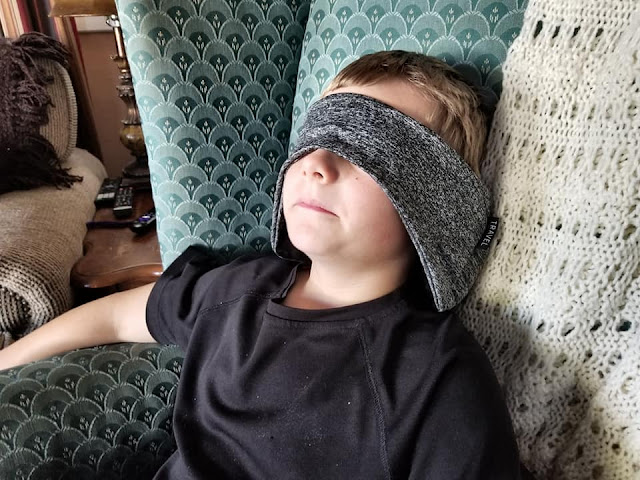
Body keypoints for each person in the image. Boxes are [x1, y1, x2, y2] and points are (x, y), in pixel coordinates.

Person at [0, 50, 524, 479]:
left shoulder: (439, 379)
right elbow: (116, 316)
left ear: (436, 206)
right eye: (316, 137)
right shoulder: (235, 289)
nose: (316, 164)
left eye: (368, 150)